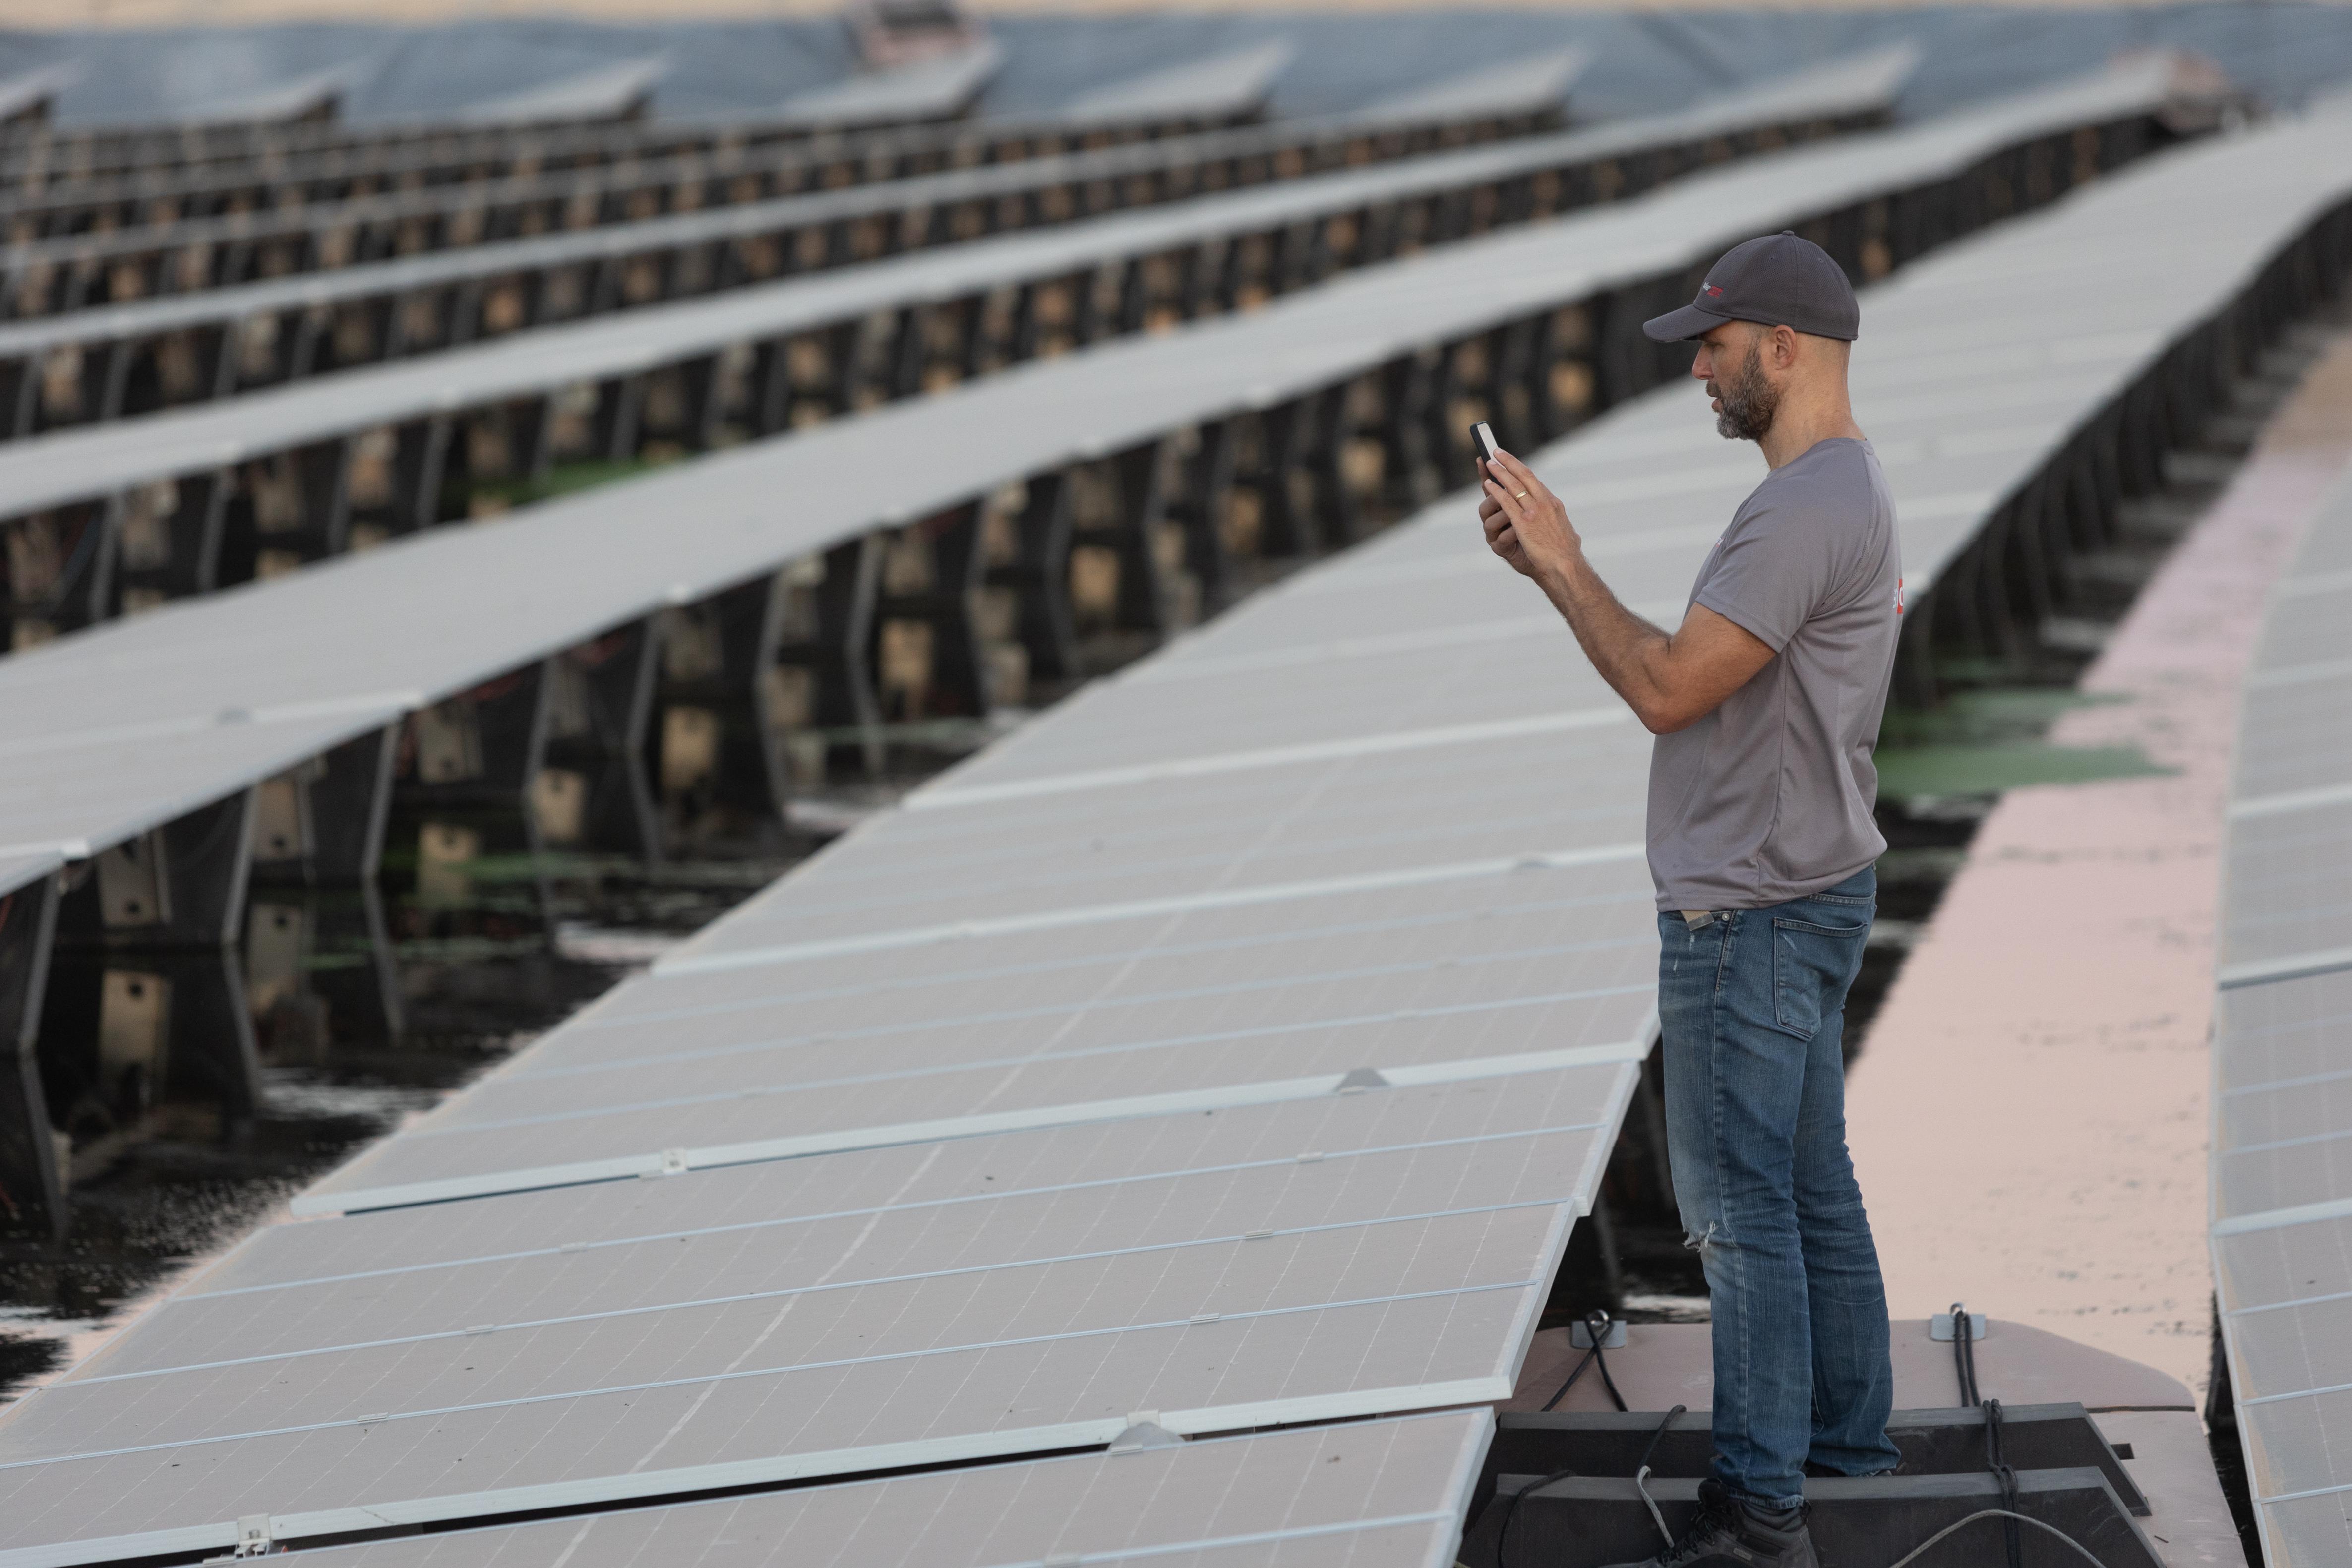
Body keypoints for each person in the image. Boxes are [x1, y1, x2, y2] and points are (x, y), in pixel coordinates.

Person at [1478, 231, 1903, 1568]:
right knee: (1809, 1182)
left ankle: (1761, 1510)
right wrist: (1552, 566)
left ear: (1785, 347)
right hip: (1812, 886)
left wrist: (1561, 561)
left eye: (1715, 347)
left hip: (1754, 910)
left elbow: (1668, 686)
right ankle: (1846, 1458)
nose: (1701, 370)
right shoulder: (1843, 489)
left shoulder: (1803, 510)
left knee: (1740, 1209)